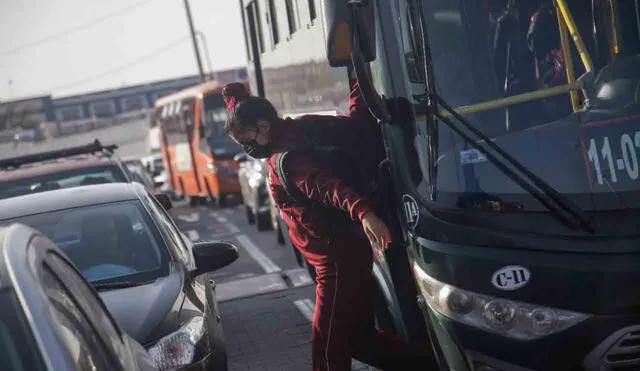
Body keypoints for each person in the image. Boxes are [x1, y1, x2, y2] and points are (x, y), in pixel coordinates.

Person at [223, 76, 436, 370]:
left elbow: (326, 187)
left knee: (326, 350)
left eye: (246, 140)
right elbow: (358, 127)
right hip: (348, 252)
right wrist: (358, 75)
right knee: (360, 340)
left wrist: (363, 212)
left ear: (263, 127)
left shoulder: (284, 160)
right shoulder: (306, 126)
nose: (248, 148)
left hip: (334, 262)